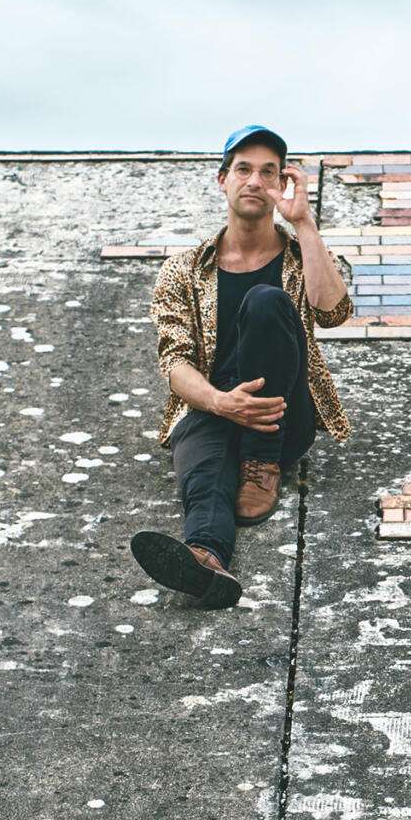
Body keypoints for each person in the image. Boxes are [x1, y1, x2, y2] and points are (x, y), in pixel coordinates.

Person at [131, 124, 354, 608]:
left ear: (281, 186)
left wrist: (305, 224)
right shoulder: (183, 269)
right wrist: (219, 402)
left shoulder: (304, 256)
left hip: (281, 413)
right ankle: (206, 560)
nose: (255, 181)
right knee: (205, 474)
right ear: (223, 180)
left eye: (269, 173)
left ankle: (260, 463)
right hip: (211, 407)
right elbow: (174, 360)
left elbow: (333, 312)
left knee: (265, 301)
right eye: (244, 170)